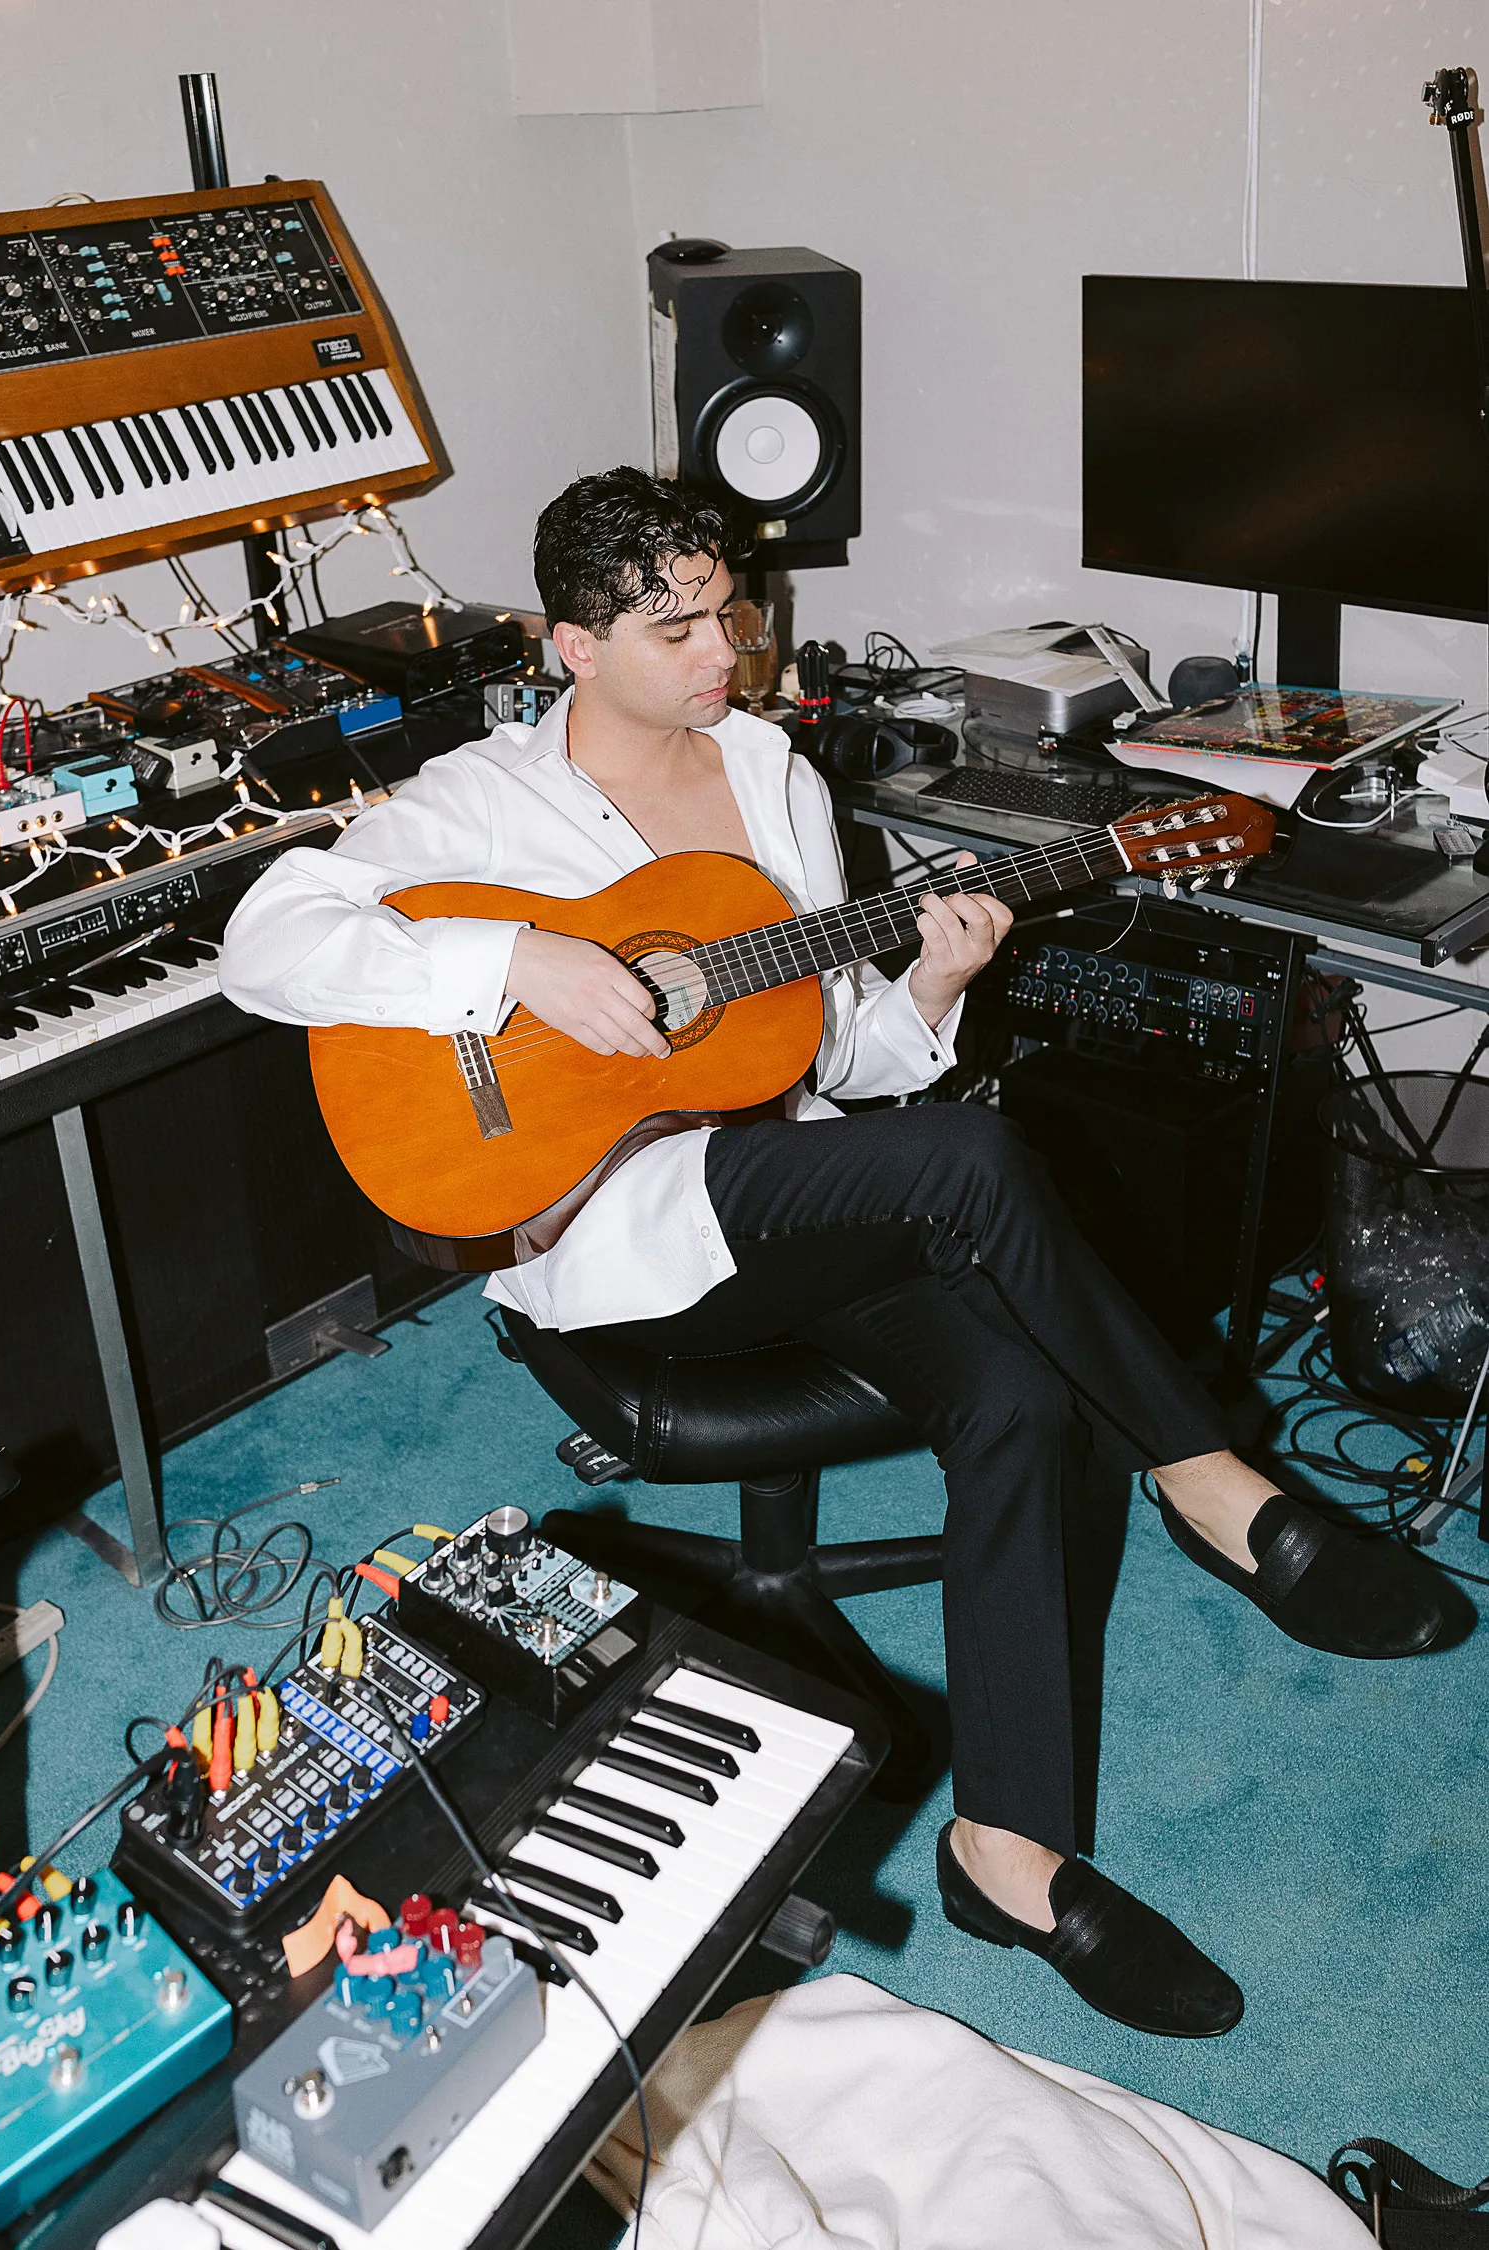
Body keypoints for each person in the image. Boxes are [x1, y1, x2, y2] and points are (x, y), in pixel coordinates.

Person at [221, 467, 1466, 2039]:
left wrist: (934, 985)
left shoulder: (774, 776)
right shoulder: (479, 802)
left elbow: (835, 1054)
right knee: (972, 1159)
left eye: (727, 606)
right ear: (569, 646)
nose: (720, 647)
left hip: (808, 1190)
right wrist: (517, 954)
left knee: (1014, 1383)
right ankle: (1209, 1479)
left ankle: (1003, 1854)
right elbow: (264, 945)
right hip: (619, 1227)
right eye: (673, 625)